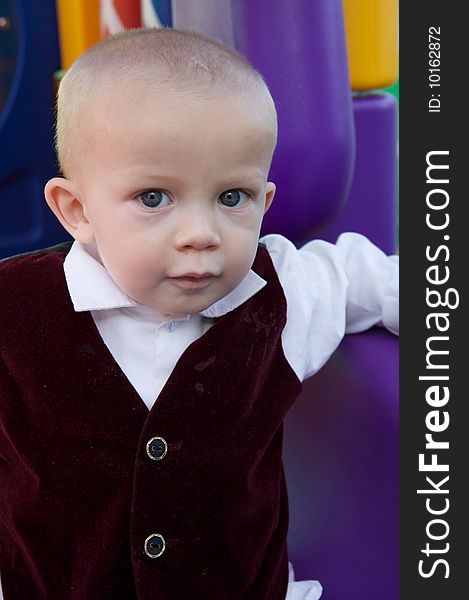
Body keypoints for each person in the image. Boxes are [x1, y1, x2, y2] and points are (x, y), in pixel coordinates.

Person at [0, 28, 398, 600]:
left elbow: (375, 277)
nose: (200, 235)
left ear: (265, 205)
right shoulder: (15, 310)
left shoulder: (281, 293)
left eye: (231, 197)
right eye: (154, 198)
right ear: (77, 210)